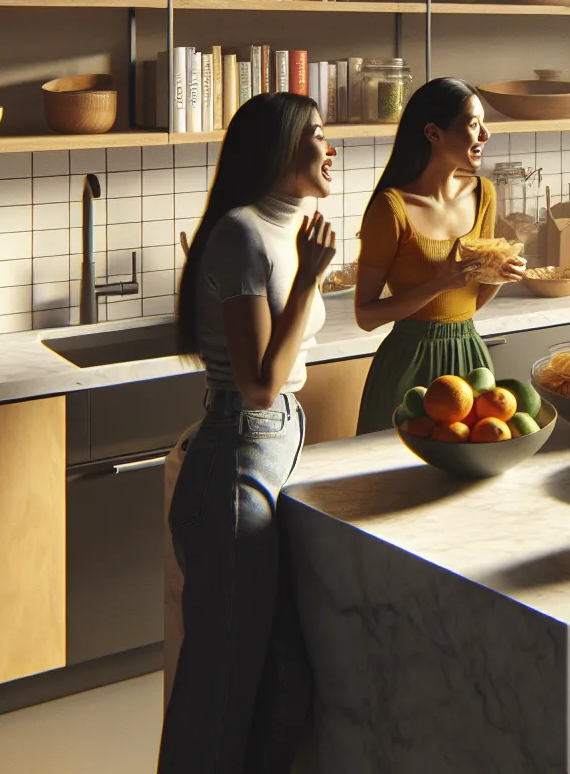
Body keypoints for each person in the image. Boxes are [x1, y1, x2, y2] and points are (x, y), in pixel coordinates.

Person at [162, 93, 338, 773]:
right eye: (317, 136)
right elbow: (260, 383)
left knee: (285, 682)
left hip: (277, 446)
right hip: (239, 458)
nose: (331, 148)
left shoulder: (285, 227)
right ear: (279, 148)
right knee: (220, 694)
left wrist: (311, 271)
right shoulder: (241, 233)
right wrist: (310, 279)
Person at [353, 79, 526, 434]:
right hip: (408, 364)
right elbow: (366, 315)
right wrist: (439, 283)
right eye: (473, 123)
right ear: (433, 133)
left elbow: (470, 301)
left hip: (469, 356)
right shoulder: (391, 207)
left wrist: (499, 275)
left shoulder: (484, 194)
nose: (486, 134)